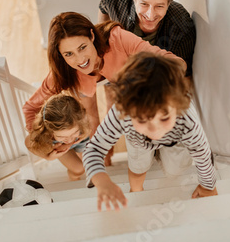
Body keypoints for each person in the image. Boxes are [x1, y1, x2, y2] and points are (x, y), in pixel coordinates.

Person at [22, 12, 186, 160]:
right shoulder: (63, 71)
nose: (80, 59)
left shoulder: (118, 38)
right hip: (84, 86)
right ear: (61, 55)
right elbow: (30, 108)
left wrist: (159, 87)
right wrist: (47, 142)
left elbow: (175, 62)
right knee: (90, 116)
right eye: (68, 54)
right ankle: (104, 155)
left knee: (115, 104)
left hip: (120, 76)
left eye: (82, 47)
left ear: (91, 36)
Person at [83, 52, 217, 211]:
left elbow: (201, 152)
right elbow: (94, 149)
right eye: (141, 119)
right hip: (138, 141)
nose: (155, 130)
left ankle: (160, 154)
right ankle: (136, 191)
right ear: (127, 110)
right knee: (138, 167)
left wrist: (208, 186)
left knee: (175, 170)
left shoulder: (186, 118)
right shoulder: (121, 113)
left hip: (176, 141)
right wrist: (102, 181)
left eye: (165, 117)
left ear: (178, 106)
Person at [98, 0, 195, 77]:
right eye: (144, 4)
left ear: (169, 3)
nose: (150, 15)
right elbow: (104, 0)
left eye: (159, 6)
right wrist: (102, 38)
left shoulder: (181, 26)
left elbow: (183, 75)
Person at [25, 93, 89, 180]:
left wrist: (75, 139)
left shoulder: (81, 125)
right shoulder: (45, 134)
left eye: (74, 132)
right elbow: (28, 142)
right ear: (50, 131)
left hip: (79, 142)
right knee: (79, 170)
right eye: (62, 136)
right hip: (60, 148)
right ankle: (73, 179)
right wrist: (48, 157)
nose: (69, 139)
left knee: (88, 164)